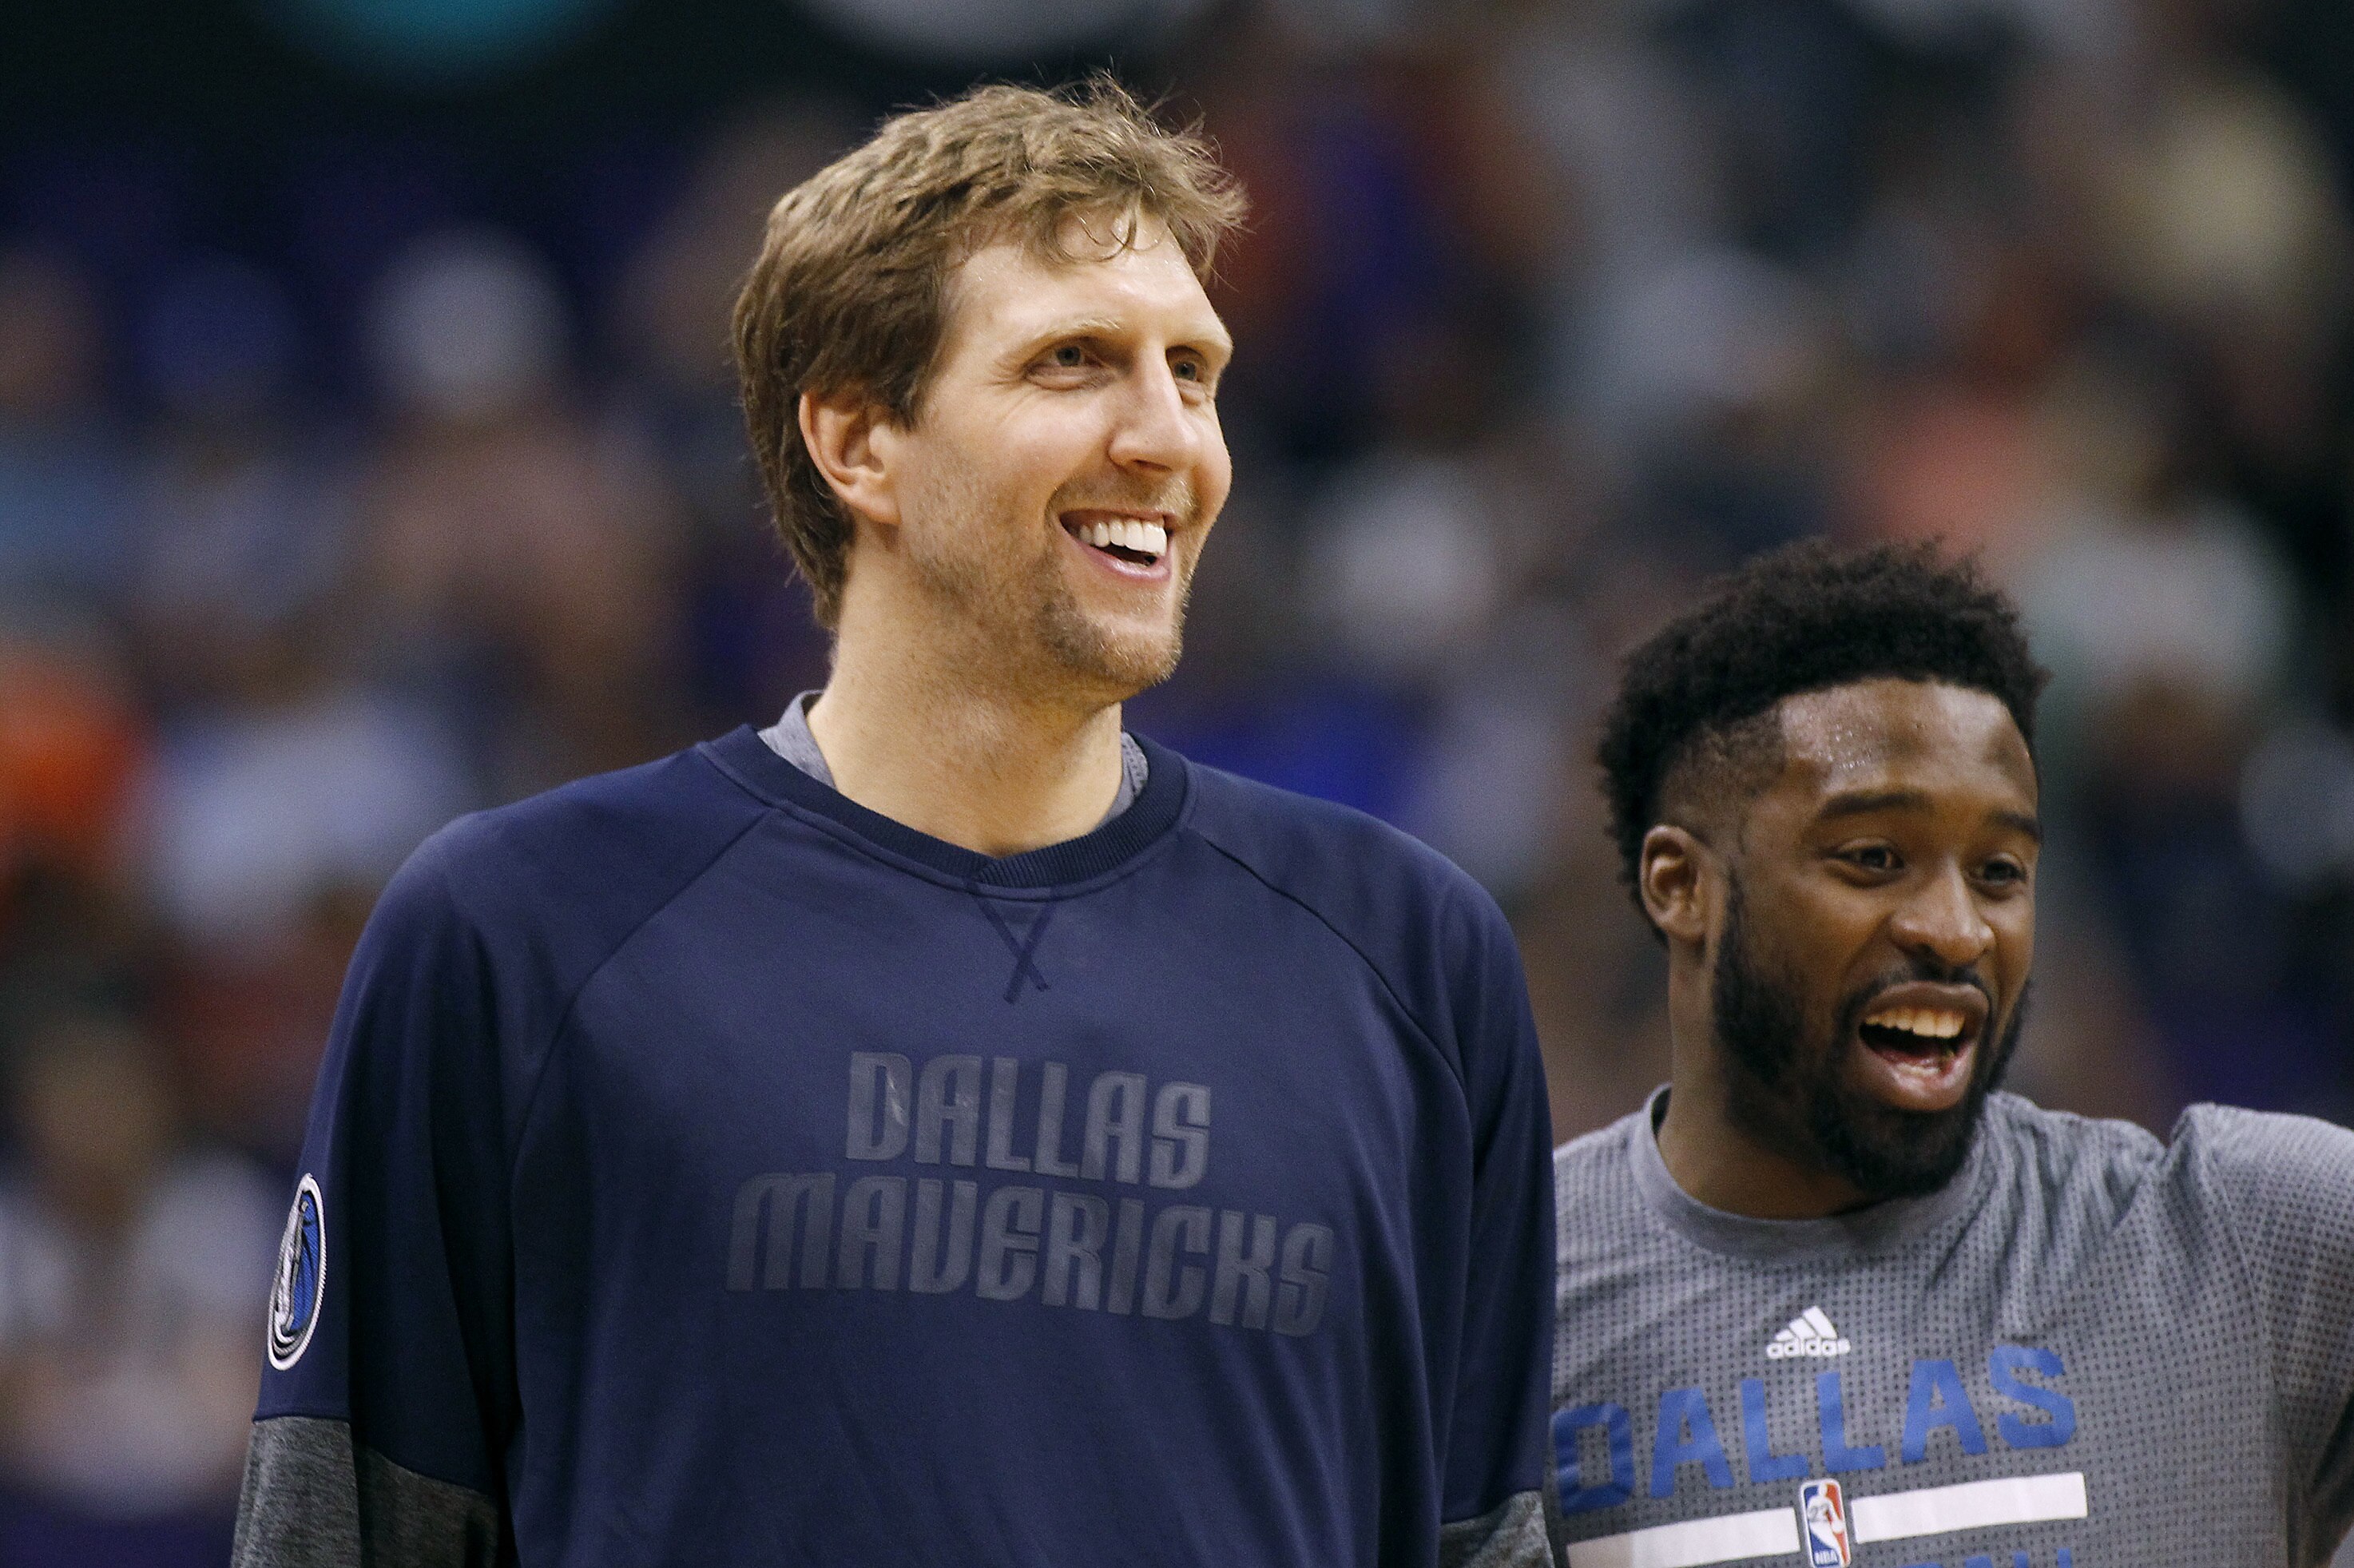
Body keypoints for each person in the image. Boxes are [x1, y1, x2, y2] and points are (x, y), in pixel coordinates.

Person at [232, 78, 1557, 1567]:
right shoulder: (517, 932)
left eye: (1192, 371)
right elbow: (340, 1537)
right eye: (1073, 361)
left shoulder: (1408, 955)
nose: (1167, 437)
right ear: (857, 439)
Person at [1548, 541, 2354, 1568]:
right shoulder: (1498, 1301)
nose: (1956, 929)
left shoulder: (2239, 1242)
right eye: (1873, 858)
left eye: (1999, 870)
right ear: (1681, 886)